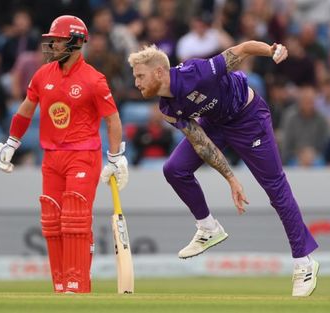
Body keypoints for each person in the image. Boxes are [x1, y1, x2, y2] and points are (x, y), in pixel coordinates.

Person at [128, 41, 319, 297]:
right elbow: (201, 143)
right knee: (174, 169)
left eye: (140, 76)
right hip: (215, 123)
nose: (137, 83)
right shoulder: (167, 108)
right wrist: (231, 178)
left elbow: (243, 49)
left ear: (159, 72)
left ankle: (304, 263)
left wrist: (272, 50)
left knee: (276, 189)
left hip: (248, 118)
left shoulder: (196, 72)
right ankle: (208, 227)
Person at [0, 15, 128, 294]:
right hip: (51, 157)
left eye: (58, 39)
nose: (52, 44)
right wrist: (11, 143)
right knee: (53, 221)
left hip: (83, 156)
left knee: (75, 218)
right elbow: (26, 109)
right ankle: (61, 285)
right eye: (51, 39)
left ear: (76, 42)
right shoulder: (43, 75)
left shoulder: (94, 79)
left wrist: (116, 158)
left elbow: (113, 120)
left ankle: (78, 285)